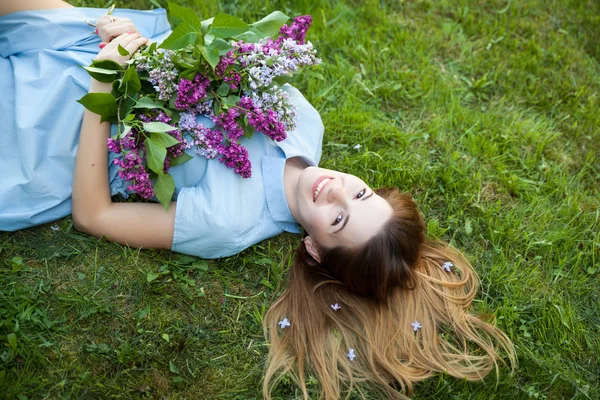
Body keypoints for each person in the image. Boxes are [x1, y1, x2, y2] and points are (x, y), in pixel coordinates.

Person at [0, 1, 516, 399]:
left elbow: (94, 214)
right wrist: (140, 49)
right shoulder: (302, 118)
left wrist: (103, 84)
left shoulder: (230, 222)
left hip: (55, 130)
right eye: (360, 193)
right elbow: (192, 67)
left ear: (315, 249)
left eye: (338, 218)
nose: (334, 188)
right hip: (95, 47)